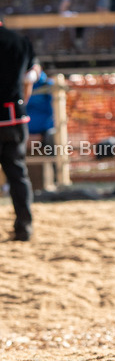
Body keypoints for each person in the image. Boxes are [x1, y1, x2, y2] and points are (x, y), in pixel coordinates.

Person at [0, 18, 38, 241]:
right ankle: (24, 227)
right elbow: (31, 76)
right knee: (18, 175)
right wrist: (22, 102)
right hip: (14, 117)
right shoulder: (21, 41)